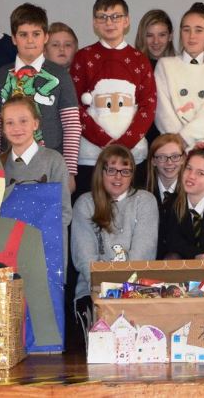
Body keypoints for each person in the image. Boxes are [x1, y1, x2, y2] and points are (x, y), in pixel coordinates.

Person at [68, 145, 158, 342]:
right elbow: (85, 259)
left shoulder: (145, 201)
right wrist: (109, 292)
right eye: (112, 170)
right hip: (94, 292)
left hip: (136, 290)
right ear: (101, 172)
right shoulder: (85, 203)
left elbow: (143, 254)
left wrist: (124, 292)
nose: (118, 177)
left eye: (125, 171)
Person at [70, 0, 156, 192]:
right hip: (92, 158)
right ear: (94, 23)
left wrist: (123, 146)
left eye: (116, 16)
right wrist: (105, 142)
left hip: (132, 157)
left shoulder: (139, 59)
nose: (109, 22)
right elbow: (75, 106)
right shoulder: (83, 57)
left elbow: (148, 105)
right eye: (102, 17)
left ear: (126, 21)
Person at [0, 3, 80, 177]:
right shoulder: (1, 76)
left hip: (51, 167)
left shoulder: (60, 76)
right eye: (23, 34)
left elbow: (71, 126)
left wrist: (70, 172)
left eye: (36, 34)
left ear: (45, 37)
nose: (30, 40)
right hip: (9, 166)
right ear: (13, 38)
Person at [155, 3, 204, 164]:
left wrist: (185, 137)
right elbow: (162, 112)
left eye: (199, 30)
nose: (192, 36)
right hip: (176, 153)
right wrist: (178, 143)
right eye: (186, 29)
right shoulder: (165, 65)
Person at [0, 95, 72, 225]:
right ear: (3, 129)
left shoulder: (54, 161)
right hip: (9, 240)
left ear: (35, 124)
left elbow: (63, 213)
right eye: (10, 122)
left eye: (23, 121)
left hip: (43, 241)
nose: (16, 128)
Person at [146, 133, 188, 210]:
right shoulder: (143, 190)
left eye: (175, 156)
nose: (169, 162)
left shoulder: (191, 192)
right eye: (162, 157)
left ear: (183, 159)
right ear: (153, 161)